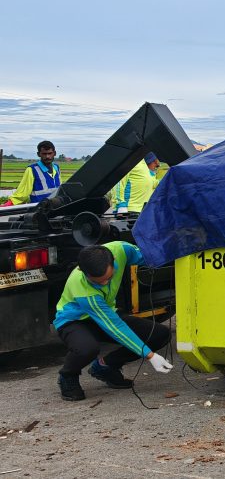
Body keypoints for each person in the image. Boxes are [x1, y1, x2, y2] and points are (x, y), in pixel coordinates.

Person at [53, 242, 174, 401]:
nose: (104, 283)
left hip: (106, 313)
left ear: (114, 260)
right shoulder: (83, 290)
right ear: (83, 271)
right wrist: (150, 355)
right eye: (97, 282)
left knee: (160, 334)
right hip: (74, 321)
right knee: (87, 348)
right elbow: (115, 327)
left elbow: (148, 257)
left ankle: (106, 366)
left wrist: (176, 254)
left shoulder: (120, 250)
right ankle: (67, 376)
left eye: (109, 278)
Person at [2, 140, 61, 206]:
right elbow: (23, 192)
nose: (47, 156)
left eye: (50, 153)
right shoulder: (32, 169)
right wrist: (8, 204)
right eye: (44, 154)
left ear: (54, 153)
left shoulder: (56, 168)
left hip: (55, 208)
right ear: (38, 154)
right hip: (38, 209)